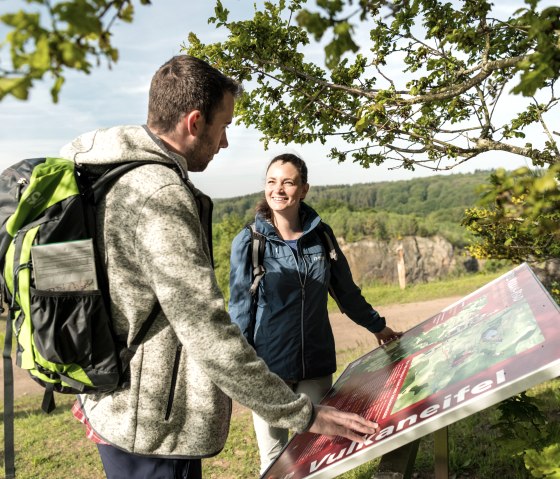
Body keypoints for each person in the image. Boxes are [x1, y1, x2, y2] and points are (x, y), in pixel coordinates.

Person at [63, 55, 380, 479]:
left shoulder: (104, 173)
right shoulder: (159, 194)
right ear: (195, 122)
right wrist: (302, 415)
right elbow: (204, 326)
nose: (225, 142)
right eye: (224, 125)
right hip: (151, 425)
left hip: (113, 405)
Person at [229, 153, 403, 473]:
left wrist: (378, 327)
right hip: (269, 370)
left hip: (315, 363)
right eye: (271, 181)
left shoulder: (322, 236)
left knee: (317, 454)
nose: (278, 189)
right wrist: (238, 370)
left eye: (287, 182)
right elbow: (240, 308)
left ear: (304, 189)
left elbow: (345, 292)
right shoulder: (250, 241)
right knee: (275, 459)